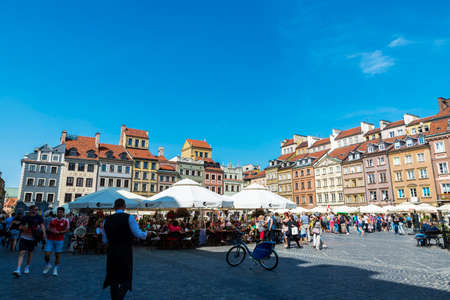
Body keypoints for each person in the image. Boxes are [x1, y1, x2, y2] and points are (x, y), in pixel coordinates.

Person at [102, 199, 149, 300]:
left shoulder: (106, 220)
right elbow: (137, 233)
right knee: (126, 279)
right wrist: (146, 234)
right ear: (124, 206)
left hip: (112, 252)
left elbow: (104, 240)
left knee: (113, 280)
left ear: (114, 207)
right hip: (125, 251)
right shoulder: (129, 218)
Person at [13, 205, 47, 277]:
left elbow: (42, 225)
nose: (36, 211)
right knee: (22, 252)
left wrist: (44, 233)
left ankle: (27, 266)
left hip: (33, 238)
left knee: (30, 253)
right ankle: (18, 269)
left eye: (37, 209)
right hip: (24, 237)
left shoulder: (39, 217)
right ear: (30, 209)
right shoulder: (25, 217)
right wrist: (23, 228)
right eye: (34, 209)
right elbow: (20, 226)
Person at [43, 207, 69, 276]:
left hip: (60, 240)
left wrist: (60, 232)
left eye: (61, 212)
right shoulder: (52, 220)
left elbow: (67, 230)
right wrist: (52, 231)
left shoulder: (66, 221)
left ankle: (55, 269)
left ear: (63, 213)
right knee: (47, 254)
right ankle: (48, 265)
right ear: (56, 213)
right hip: (50, 239)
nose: (59, 213)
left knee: (57, 255)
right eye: (58, 212)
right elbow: (48, 228)